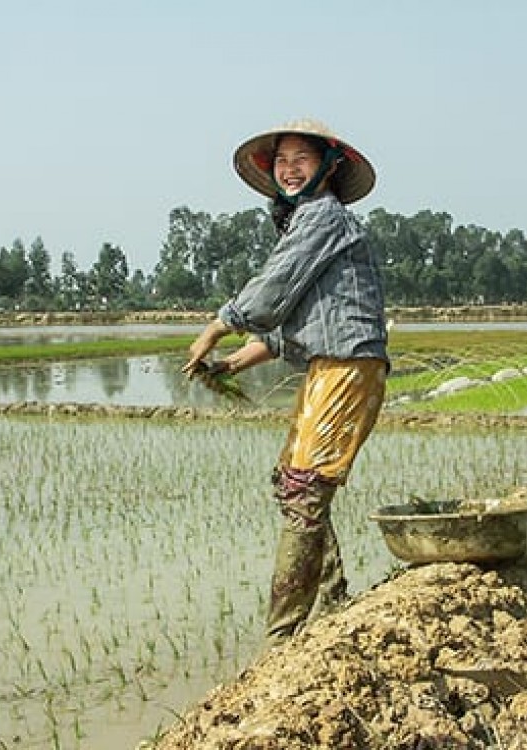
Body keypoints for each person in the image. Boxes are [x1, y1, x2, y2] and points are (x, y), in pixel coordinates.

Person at [182, 118, 389, 647]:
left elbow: (271, 291)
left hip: (347, 366)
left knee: (305, 488)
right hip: (332, 363)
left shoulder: (325, 217)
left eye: (301, 158)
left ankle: (283, 638)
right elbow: (289, 326)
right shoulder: (312, 224)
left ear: (328, 165)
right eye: (282, 161)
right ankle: (334, 597)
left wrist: (216, 326)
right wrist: (231, 365)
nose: (290, 169)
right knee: (293, 483)